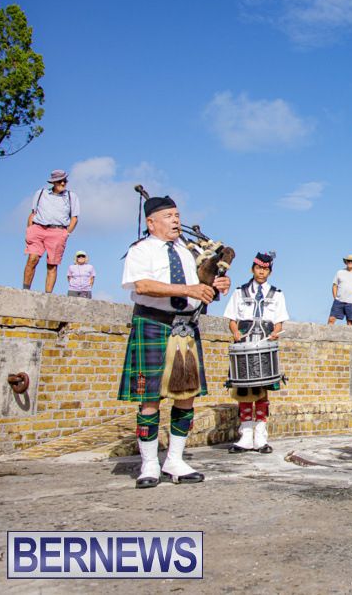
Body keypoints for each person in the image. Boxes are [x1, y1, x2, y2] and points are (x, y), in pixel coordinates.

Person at [118, 196, 230, 489]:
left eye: (177, 215)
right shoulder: (141, 250)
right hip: (152, 322)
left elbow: (199, 288)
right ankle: (149, 463)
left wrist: (215, 287)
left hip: (185, 326)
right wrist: (187, 288)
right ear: (151, 222)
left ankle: (175, 460)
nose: (176, 220)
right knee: (149, 398)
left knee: (186, 394)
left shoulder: (187, 251)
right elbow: (142, 285)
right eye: (168, 216)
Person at [223, 252, 289, 454]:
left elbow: (279, 322)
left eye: (266, 269)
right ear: (253, 269)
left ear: (270, 271)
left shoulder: (276, 294)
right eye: (259, 268)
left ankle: (260, 436)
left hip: (264, 346)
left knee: (262, 391)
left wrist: (276, 333)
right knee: (243, 391)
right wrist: (234, 331)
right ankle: (245, 436)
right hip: (244, 345)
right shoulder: (239, 292)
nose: (262, 272)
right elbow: (232, 319)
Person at [23, 169, 80, 293]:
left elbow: (74, 218)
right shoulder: (41, 193)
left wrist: (66, 233)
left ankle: (48, 295)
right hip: (38, 228)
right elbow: (33, 213)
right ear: (53, 182)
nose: (63, 183)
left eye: (65, 181)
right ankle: (25, 290)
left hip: (58, 231)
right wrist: (30, 229)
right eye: (60, 181)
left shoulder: (71, 196)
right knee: (32, 258)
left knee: (52, 264)